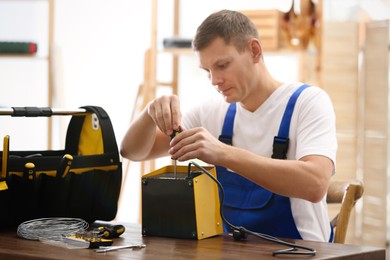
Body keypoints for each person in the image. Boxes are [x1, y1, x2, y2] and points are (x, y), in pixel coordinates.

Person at [121, 9, 337, 242]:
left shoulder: (308, 102)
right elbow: (132, 151)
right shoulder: (212, 112)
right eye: (207, 71)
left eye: (222, 65)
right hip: (231, 252)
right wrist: (149, 113)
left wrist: (223, 153)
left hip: (301, 251)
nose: (214, 80)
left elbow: (315, 184)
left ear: (254, 51)